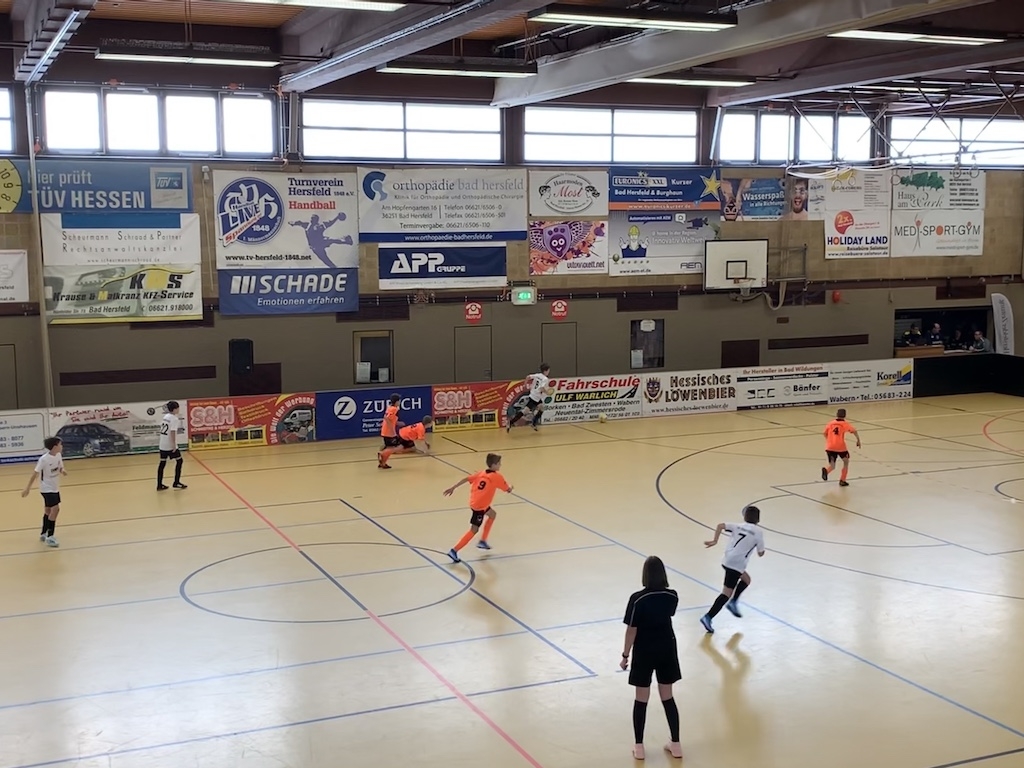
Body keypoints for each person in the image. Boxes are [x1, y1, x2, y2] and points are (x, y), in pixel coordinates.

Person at [620, 555, 683, 761]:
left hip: (644, 651)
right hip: (667, 648)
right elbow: (668, 614)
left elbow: (632, 630)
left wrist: (625, 655)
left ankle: (639, 746)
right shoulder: (672, 596)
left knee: (641, 699)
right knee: (668, 697)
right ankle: (676, 744)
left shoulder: (637, 599)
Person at [700, 505, 765, 634]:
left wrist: (715, 540)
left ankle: (733, 602)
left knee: (746, 580)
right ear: (758, 519)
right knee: (726, 593)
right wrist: (759, 548)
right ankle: (708, 616)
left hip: (727, 560)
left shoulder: (737, 526)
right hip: (737, 565)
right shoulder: (758, 532)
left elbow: (720, 525)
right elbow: (760, 553)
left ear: (745, 517)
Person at [443, 453, 512, 562]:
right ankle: (454, 550)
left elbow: (466, 479)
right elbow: (507, 489)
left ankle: (483, 541)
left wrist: (453, 487)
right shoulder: (497, 477)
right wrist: (510, 488)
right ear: (494, 465)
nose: (500, 465)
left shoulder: (481, 473)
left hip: (476, 502)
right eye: (499, 463)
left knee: (492, 515)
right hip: (479, 507)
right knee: (474, 530)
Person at [21, 437, 67, 548]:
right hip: (46, 488)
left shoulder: (58, 455)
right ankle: (50, 536)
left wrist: (63, 471)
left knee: (48, 510)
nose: (62, 446)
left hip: (55, 487)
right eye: (60, 444)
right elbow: (35, 474)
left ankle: (43, 532)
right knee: (55, 509)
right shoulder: (44, 459)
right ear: (55, 446)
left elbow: (60, 467)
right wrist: (27, 488)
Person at [821, 408, 861, 487]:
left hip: (830, 446)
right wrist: (858, 440)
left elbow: (824, 433)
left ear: (837, 414)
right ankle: (843, 480)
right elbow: (854, 431)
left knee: (832, 465)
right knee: (846, 461)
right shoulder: (845, 424)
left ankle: (826, 471)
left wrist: (829, 440)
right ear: (845, 415)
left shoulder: (830, 423)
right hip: (840, 447)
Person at [506, 363, 552, 432]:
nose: (549, 372)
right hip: (535, 397)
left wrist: (525, 385)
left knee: (541, 408)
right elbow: (541, 388)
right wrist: (547, 392)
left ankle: (532, 423)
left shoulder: (538, 375)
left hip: (533, 395)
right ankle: (511, 422)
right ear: (545, 371)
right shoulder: (545, 379)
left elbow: (528, 377)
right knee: (526, 411)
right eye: (548, 370)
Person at [158, 400, 187, 491]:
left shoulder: (166, 416)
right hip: (169, 444)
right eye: (178, 408)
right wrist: (174, 445)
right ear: (174, 409)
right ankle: (176, 482)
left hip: (162, 444)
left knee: (162, 464)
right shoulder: (174, 418)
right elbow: (172, 432)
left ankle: (159, 484)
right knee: (179, 461)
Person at [379, 393, 402, 458]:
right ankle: (383, 453)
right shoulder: (394, 409)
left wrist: (397, 423)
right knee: (397, 448)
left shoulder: (389, 407)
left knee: (393, 446)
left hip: (385, 431)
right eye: (399, 401)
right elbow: (387, 418)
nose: (400, 402)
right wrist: (392, 431)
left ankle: (385, 450)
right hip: (389, 433)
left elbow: (387, 417)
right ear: (396, 402)